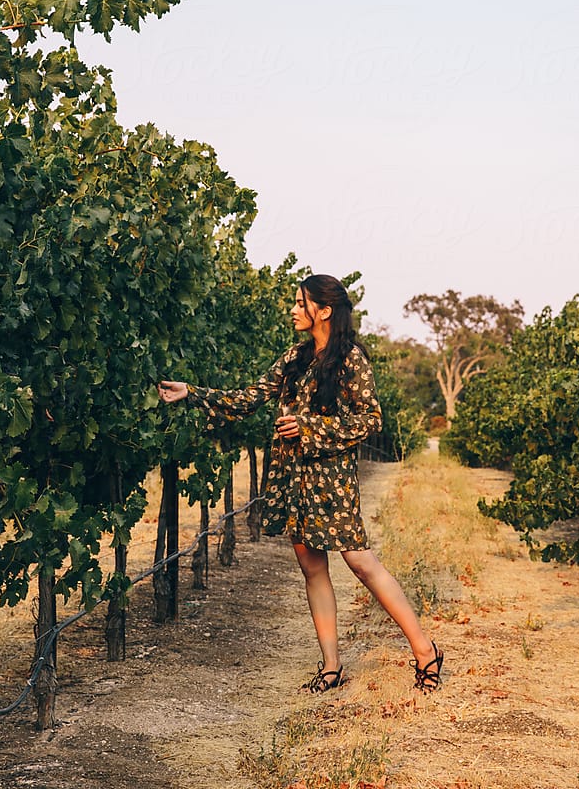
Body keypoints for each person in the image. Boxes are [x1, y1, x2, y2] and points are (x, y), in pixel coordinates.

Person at [157, 274, 443, 693]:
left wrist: (308, 426)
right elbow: (250, 396)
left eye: (299, 302)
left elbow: (370, 420)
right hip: (293, 478)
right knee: (311, 566)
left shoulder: (351, 359)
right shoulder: (294, 357)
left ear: (324, 310)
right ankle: (332, 667)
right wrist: (193, 393)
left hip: (332, 481)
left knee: (361, 562)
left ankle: (425, 651)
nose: (292, 309)